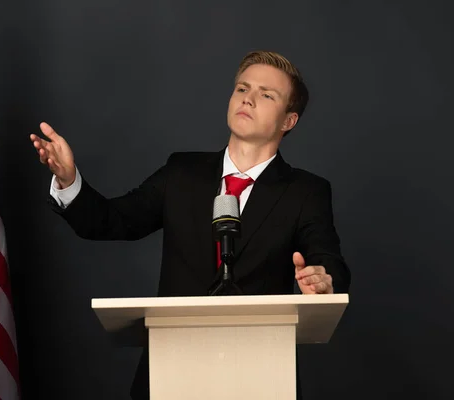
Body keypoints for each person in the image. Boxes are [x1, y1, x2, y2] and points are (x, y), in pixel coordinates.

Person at [30, 50, 350, 399]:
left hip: (261, 372)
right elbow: (111, 221)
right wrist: (69, 180)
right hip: (170, 369)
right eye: (242, 88)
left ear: (289, 121)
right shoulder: (181, 173)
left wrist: (324, 280)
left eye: (266, 94)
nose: (248, 99)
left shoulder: (305, 191)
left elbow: (327, 258)